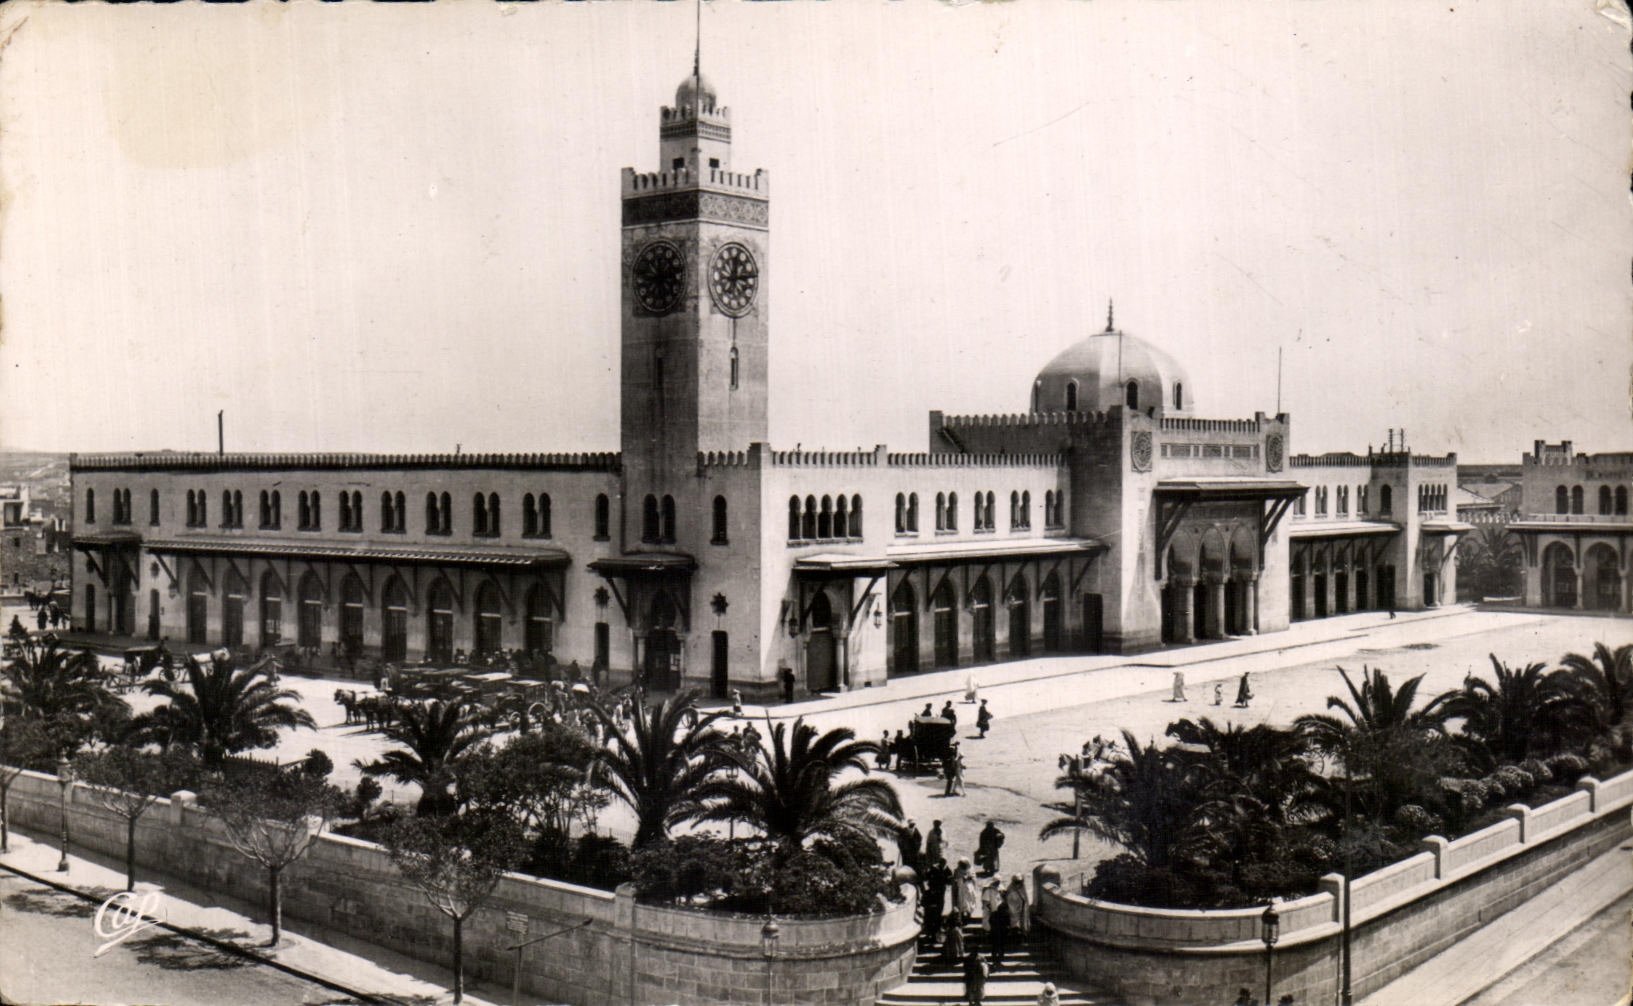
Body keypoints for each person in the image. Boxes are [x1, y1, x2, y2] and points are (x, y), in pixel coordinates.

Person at [988, 884, 1011, 966]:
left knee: (995, 948)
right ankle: (998, 961)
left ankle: (995, 962)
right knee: (1000, 948)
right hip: (1001, 934)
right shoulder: (1005, 916)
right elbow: (1008, 924)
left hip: (995, 934)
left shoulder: (994, 914)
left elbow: (990, 921)